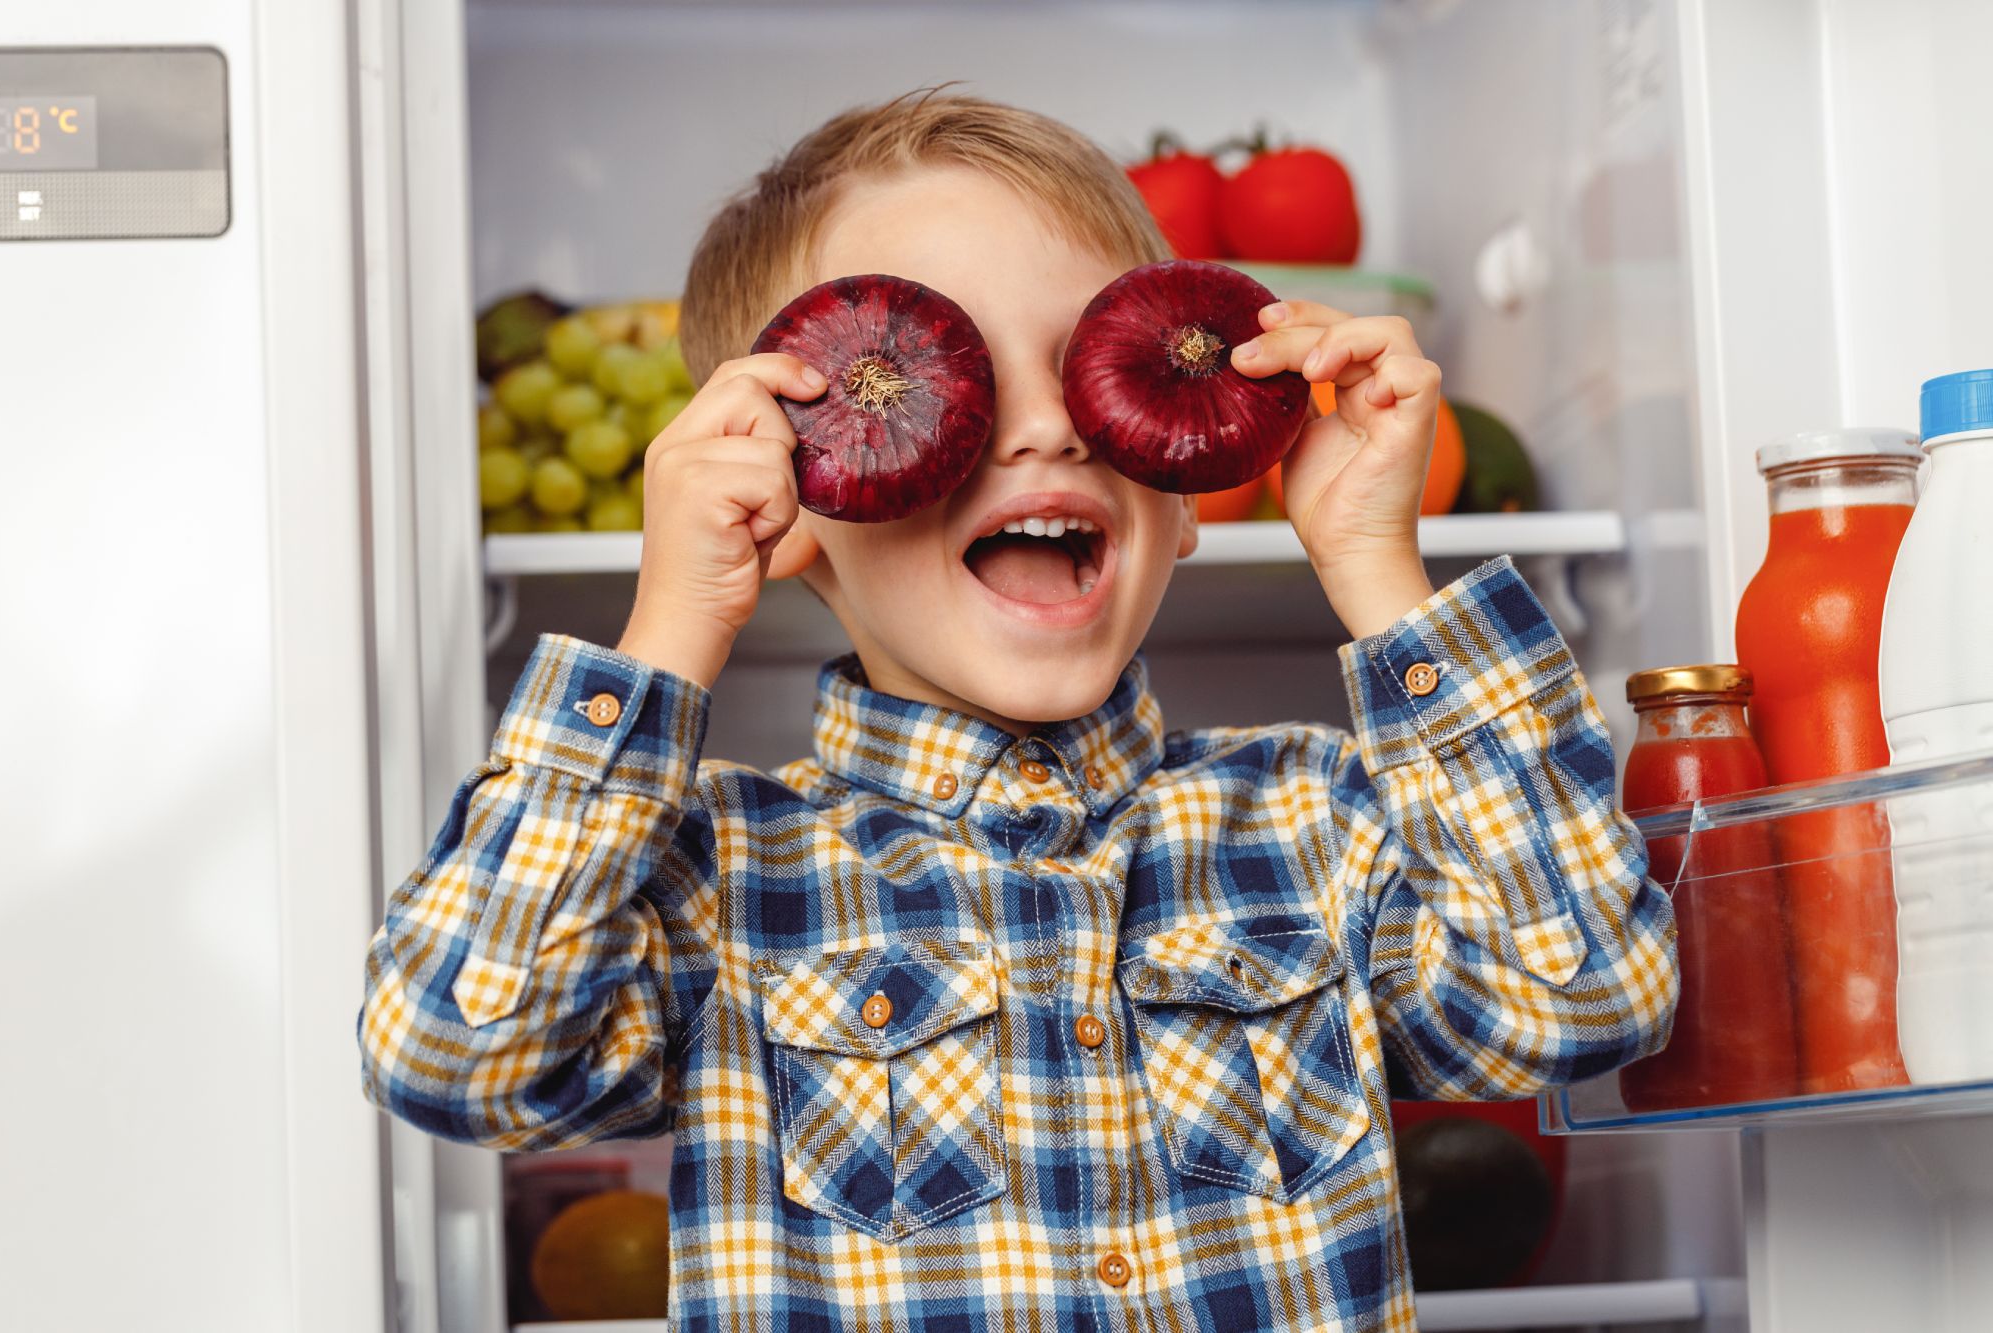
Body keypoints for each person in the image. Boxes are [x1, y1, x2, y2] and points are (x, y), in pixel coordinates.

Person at [358, 92, 1676, 1331]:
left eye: (1100, 364)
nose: (1045, 427)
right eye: (928, 380)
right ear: (796, 504)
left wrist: (1377, 563)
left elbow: (1579, 1000)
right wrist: (673, 625)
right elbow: (461, 1049)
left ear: (1184, 486)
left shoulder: (1322, 821)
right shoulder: (715, 879)